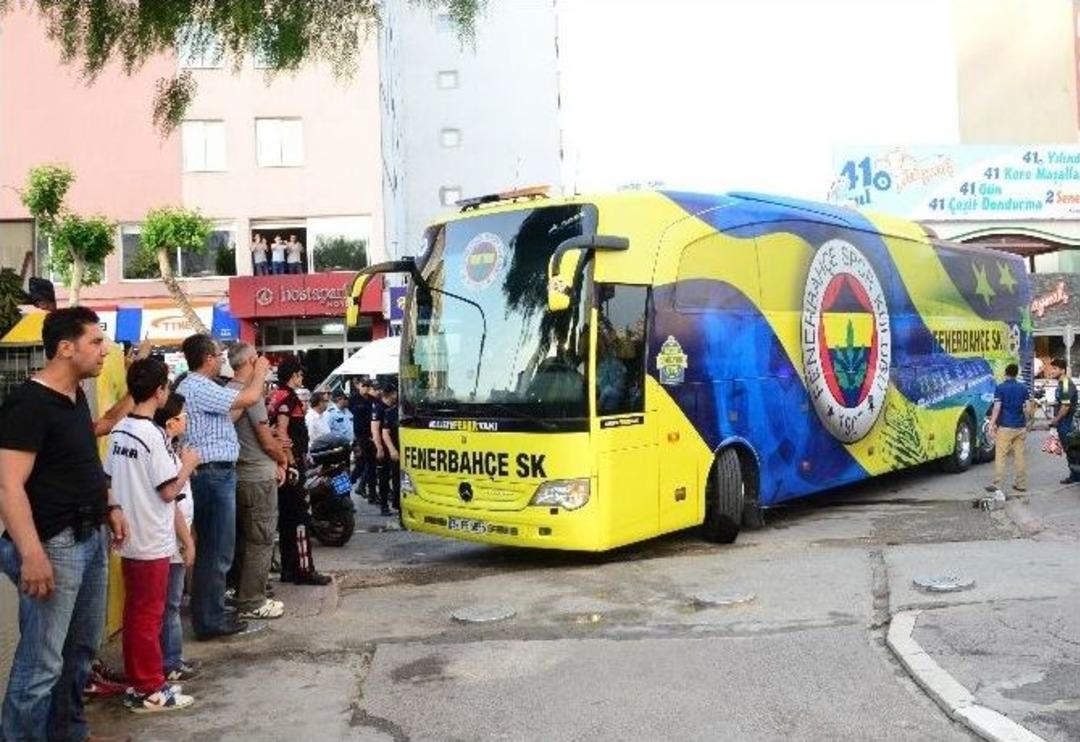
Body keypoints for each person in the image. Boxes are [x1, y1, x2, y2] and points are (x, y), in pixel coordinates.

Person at [0, 307, 130, 741]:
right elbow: (8, 486)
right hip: (53, 544)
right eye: (95, 341)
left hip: (90, 535)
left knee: (79, 653)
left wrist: (110, 505)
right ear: (65, 348)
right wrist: (32, 553)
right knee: (41, 664)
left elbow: (82, 462)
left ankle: (69, 732)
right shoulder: (28, 404)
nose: (104, 350)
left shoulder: (75, 396)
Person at [106, 358, 198, 713]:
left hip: (129, 536)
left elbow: (107, 480)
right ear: (160, 391)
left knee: (136, 614)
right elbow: (168, 490)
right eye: (166, 387)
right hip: (151, 537)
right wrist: (188, 465)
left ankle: (140, 682)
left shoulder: (119, 430)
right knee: (148, 616)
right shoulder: (152, 435)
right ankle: (148, 688)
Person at [175, 333, 270, 640]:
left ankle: (210, 611)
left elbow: (230, 412)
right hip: (212, 474)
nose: (221, 360)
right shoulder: (199, 386)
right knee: (217, 549)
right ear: (207, 358)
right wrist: (259, 371)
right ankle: (209, 619)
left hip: (214, 474)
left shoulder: (201, 388)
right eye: (218, 355)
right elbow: (249, 398)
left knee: (215, 548)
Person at [226, 342, 287, 621]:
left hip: (236, 475)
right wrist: (282, 460)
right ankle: (253, 600)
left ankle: (240, 591)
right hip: (257, 476)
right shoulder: (250, 395)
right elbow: (266, 441)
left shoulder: (226, 391)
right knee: (261, 540)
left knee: (241, 538)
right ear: (251, 361)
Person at [269, 356, 331, 586]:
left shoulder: (276, 396)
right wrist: (291, 463)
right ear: (293, 375)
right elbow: (282, 432)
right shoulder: (288, 398)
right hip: (292, 468)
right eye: (300, 374)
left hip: (284, 468)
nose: (302, 377)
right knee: (300, 520)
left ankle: (289, 569)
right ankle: (304, 570)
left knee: (287, 520)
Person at [153, 393, 200, 685]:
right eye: (183, 416)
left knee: (170, 601)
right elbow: (169, 495)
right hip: (168, 538)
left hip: (177, 534)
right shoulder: (164, 452)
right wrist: (187, 466)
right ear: (171, 422)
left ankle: (171, 659)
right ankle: (169, 662)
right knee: (169, 604)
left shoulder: (170, 448)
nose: (187, 421)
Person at [987, 363, 1029, 495]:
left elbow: (997, 407)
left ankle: (997, 484)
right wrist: (1027, 422)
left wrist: (991, 423)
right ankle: (1021, 484)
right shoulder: (1023, 388)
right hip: (1020, 426)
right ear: (1016, 374)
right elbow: (1027, 408)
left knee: (1001, 456)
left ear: (1006, 373)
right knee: (1019, 457)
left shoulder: (1000, 388)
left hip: (1005, 426)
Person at [1048, 357, 1078, 484]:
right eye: (1052, 368)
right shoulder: (1062, 384)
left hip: (1068, 423)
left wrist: (1055, 420)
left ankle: (1076, 476)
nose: (1052, 371)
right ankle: (1075, 475)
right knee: (1070, 451)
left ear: (1062, 370)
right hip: (1064, 423)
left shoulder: (1066, 384)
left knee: (1072, 451)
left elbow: (1065, 407)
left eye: (1055, 369)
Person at [348, 378, 375, 501]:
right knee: (359, 465)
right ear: (359, 385)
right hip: (359, 437)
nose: (366, 388)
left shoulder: (371, 399)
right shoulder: (353, 399)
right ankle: (346, 487)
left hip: (370, 435)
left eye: (368, 386)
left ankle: (371, 493)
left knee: (371, 465)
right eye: (364, 385)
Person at [378, 383, 400, 515]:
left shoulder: (406, 411)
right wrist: (391, 449)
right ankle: (385, 505)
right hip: (391, 450)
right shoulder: (389, 412)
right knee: (387, 477)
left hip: (406, 451)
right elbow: (383, 432)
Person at [369, 381, 389, 514]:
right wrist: (379, 447)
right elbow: (375, 429)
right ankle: (383, 505)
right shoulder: (379, 407)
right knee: (383, 477)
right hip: (383, 446)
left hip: (393, 445)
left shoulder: (394, 407)